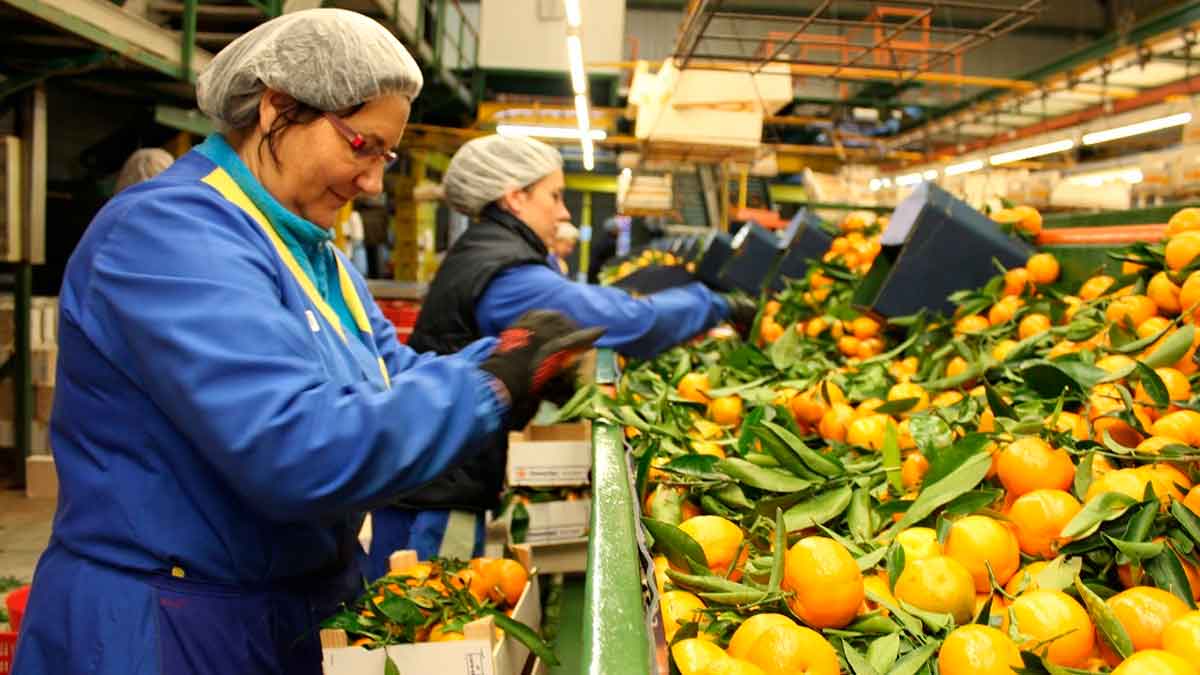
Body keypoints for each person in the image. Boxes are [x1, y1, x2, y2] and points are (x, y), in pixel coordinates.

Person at [12, 10, 599, 675]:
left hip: (286, 610)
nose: (375, 181)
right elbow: (294, 446)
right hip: (165, 625)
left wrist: (509, 358)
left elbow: (391, 373)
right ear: (277, 109)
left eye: (388, 155)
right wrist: (490, 382)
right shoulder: (169, 235)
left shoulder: (314, 254)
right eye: (361, 145)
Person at [363, 134, 757, 571]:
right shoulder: (509, 275)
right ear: (516, 197)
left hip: (436, 476)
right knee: (420, 614)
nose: (565, 212)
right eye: (555, 195)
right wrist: (715, 303)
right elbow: (625, 320)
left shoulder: (488, 251)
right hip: (436, 494)